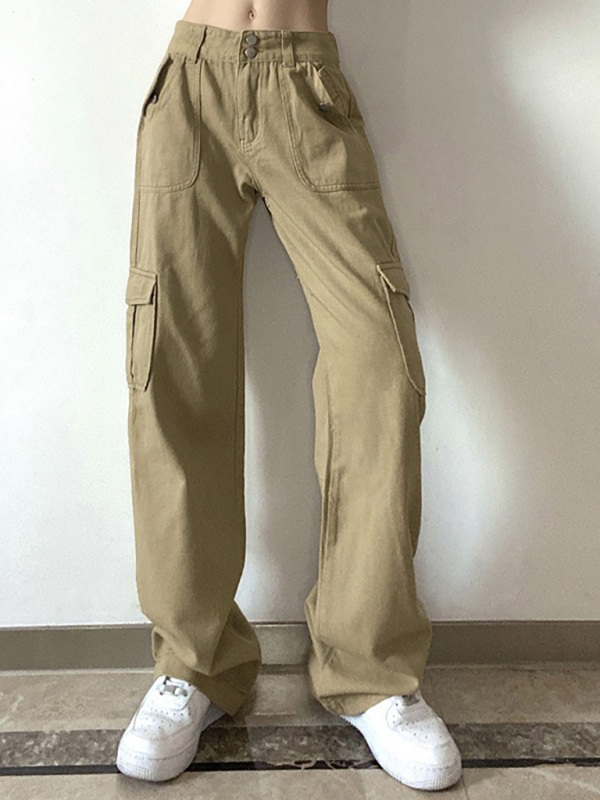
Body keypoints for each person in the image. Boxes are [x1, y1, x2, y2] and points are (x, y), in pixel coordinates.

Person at [116, 0, 462, 791]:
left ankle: (369, 667)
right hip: (195, 82)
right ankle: (194, 664)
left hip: (306, 85)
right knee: (172, 367)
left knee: (378, 364)